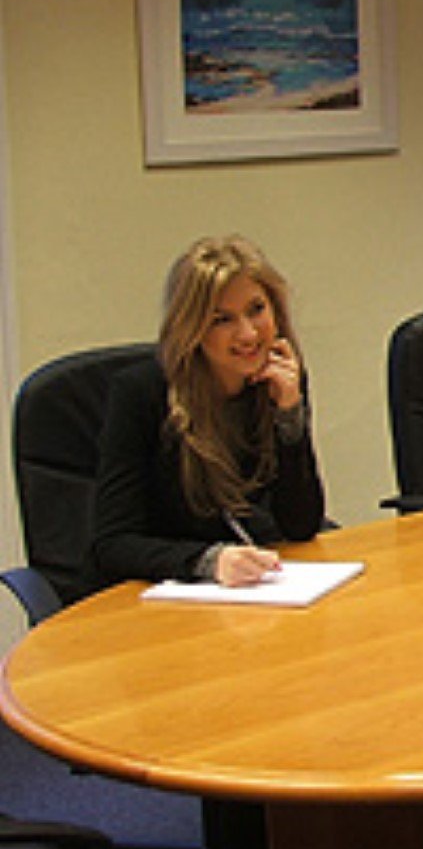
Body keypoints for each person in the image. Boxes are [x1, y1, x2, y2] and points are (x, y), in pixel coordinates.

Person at [92, 234, 326, 588]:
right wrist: (208, 561)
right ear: (192, 328)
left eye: (257, 310)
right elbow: (112, 545)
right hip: (163, 595)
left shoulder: (279, 380)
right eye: (222, 320)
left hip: (256, 590)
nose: (248, 334)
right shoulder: (143, 395)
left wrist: (290, 414)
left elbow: (301, 524)